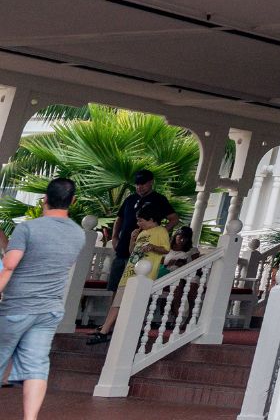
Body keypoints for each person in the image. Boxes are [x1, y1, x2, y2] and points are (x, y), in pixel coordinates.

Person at [0, 178, 88, 420]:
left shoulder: (28, 228)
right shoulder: (78, 234)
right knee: (36, 366)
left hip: (17, 306)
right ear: (73, 201)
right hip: (49, 310)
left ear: (44, 199)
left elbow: (9, 265)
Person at [88, 207, 168, 344]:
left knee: (133, 304)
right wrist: (132, 239)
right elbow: (132, 252)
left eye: (141, 220)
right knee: (117, 303)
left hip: (144, 275)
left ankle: (106, 331)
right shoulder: (142, 233)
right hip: (130, 272)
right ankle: (106, 330)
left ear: (151, 219)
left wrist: (153, 247)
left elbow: (166, 249)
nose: (138, 224)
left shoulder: (160, 231)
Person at [105, 170, 177, 292]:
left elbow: (174, 219)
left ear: (151, 182)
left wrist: (158, 233)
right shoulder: (130, 199)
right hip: (122, 250)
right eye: (137, 184)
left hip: (142, 255)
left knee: (133, 291)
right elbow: (119, 219)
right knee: (115, 289)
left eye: (143, 184)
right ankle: (114, 311)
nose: (139, 187)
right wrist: (115, 237)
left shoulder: (159, 199)